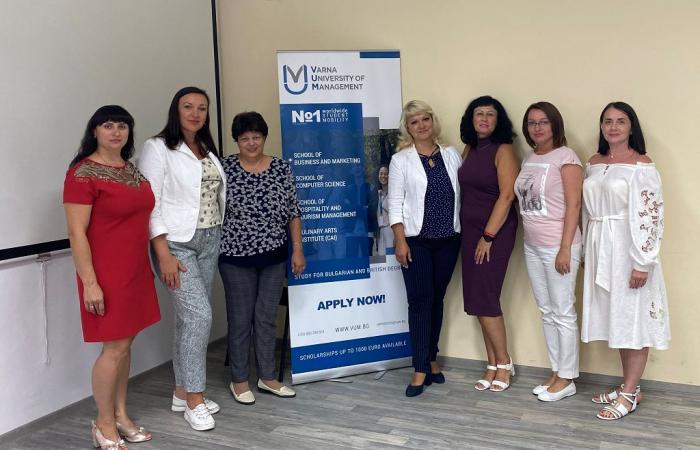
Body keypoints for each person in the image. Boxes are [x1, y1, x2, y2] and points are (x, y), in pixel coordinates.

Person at [64, 105, 160, 449]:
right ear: (95, 131)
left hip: (135, 268)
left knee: (125, 345)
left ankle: (120, 415)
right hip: (106, 273)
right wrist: (90, 283)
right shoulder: (82, 174)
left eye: (122, 126)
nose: (116, 132)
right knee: (114, 348)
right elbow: (76, 233)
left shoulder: (130, 169)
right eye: (108, 125)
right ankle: (103, 423)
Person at [138, 87, 225, 431]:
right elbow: (151, 202)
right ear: (176, 110)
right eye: (188, 106)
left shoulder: (205, 148)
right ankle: (195, 400)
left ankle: (180, 391)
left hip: (209, 239)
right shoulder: (157, 147)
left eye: (202, 108)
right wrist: (163, 254)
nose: (195, 113)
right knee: (200, 316)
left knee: (189, 320)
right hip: (175, 243)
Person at [582, 102, 670, 420]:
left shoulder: (642, 165)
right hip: (600, 247)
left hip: (628, 250)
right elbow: (586, 211)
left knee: (634, 321)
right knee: (618, 320)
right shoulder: (594, 163)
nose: (614, 127)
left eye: (621, 121)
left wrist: (643, 261)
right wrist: (585, 251)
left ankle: (629, 394)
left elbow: (652, 216)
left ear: (631, 127)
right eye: (608, 121)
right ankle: (629, 385)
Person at [218, 111, 305, 405]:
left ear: (264, 138)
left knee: (267, 318)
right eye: (245, 138)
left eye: (256, 137)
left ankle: (267, 377)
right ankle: (239, 380)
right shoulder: (224, 168)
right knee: (240, 319)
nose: (252, 143)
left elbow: (293, 211)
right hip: (235, 256)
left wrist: (297, 248)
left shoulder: (281, 168)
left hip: (274, 255)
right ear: (237, 140)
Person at [387, 100, 462, 397]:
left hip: (448, 239)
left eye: (425, 119)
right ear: (407, 127)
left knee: (437, 299)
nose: (421, 126)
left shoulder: (451, 154)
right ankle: (419, 367)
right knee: (420, 301)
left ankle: (431, 358)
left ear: (433, 121)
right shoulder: (401, 160)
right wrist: (400, 240)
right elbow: (394, 202)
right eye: (414, 122)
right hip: (416, 241)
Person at [515, 102, 582, 401]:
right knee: (547, 311)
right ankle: (557, 372)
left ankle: (567, 378)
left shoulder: (566, 157)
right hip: (532, 245)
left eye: (543, 122)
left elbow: (575, 205)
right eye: (532, 123)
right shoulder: (530, 158)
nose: (537, 127)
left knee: (563, 312)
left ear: (555, 124)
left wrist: (565, 248)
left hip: (559, 245)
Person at [458, 95, 519, 392]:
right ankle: (492, 363)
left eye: (490, 115)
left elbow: (507, 196)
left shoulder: (503, 150)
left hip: (493, 233)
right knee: (477, 298)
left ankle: (505, 363)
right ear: (471, 120)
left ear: (498, 120)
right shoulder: (470, 148)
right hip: (469, 232)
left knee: (486, 297)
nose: (484, 119)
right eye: (479, 114)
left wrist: (488, 236)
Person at [375, 165, 394, 255]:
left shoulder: (394, 192)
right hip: (380, 230)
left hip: (391, 229)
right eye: (381, 173)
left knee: (391, 256)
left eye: (386, 174)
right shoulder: (378, 193)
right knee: (381, 256)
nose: (383, 176)